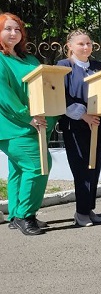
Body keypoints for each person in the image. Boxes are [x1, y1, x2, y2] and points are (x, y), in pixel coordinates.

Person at [0, 13, 56, 236]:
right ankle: (26, 215)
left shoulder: (29, 59)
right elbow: (4, 96)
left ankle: (15, 214)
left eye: (17, 29)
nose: (13, 33)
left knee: (18, 170)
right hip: (14, 126)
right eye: (8, 29)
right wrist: (27, 117)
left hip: (35, 123)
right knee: (38, 165)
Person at [57, 29, 101, 227]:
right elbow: (61, 96)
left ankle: (88, 208)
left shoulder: (98, 66)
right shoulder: (64, 66)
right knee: (81, 167)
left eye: (88, 43)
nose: (86, 47)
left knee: (94, 167)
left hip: (96, 124)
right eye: (81, 44)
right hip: (75, 125)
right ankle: (80, 212)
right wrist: (83, 115)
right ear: (70, 46)